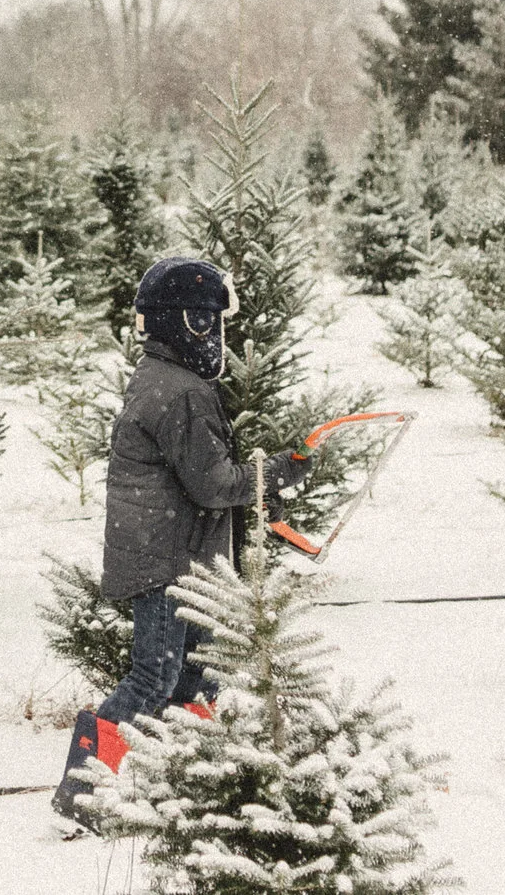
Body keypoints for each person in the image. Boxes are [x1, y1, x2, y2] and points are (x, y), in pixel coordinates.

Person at [52, 257, 297, 821]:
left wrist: (255, 487)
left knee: (197, 675)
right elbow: (213, 483)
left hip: (176, 552)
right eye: (212, 323)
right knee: (155, 676)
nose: (218, 337)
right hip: (166, 561)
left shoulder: (165, 378)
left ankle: (193, 782)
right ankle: (83, 793)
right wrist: (278, 470)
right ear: (190, 323)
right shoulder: (181, 391)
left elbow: (202, 476)